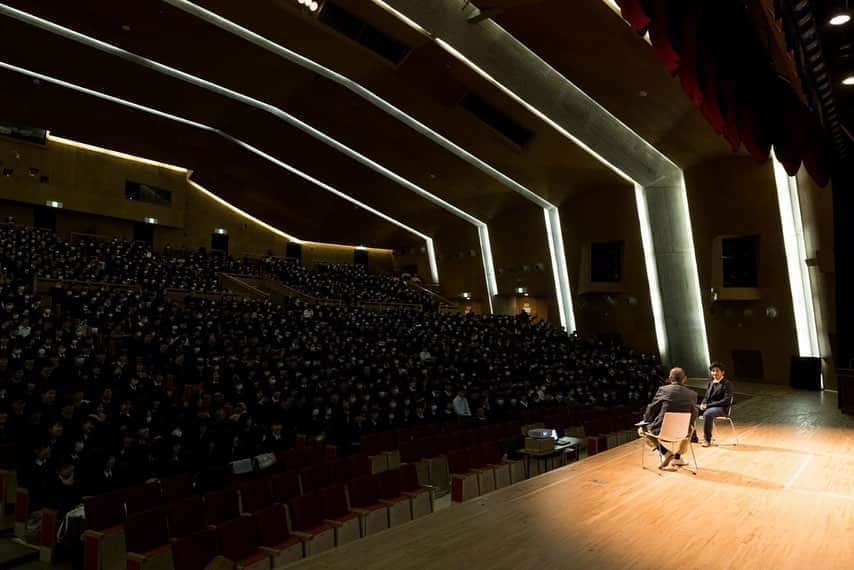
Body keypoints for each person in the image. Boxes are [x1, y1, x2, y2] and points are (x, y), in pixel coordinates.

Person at [638, 367, 697, 469]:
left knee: (641, 430)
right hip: (682, 433)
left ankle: (666, 453)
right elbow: (694, 413)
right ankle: (677, 457)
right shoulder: (693, 394)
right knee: (691, 428)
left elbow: (652, 408)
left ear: (670, 378)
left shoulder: (663, 390)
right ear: (685, 379)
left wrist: (646, 421)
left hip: (662, 431)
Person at [699, 361, 735, 447]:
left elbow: (726, 400)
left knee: (707, 414)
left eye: (717, 371)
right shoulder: (711, 383)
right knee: (691, 408)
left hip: (722, 408)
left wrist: (708, 405)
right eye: (712, 371)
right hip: (710, 407)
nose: (714, 373)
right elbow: (706, 397)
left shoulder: (727, 384)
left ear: (722, 372)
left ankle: (707, 439)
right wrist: (703, 403)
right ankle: (693, 437)